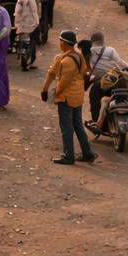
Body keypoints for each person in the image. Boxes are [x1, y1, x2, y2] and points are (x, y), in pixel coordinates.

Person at [42, 30, 95, 165]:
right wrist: (44, 89)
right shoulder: (77, 57)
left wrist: (55, 93)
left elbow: (64, 81)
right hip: (78, 96)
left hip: (67, 97)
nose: (59, 43)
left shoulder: (66, 61)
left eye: (61, 41)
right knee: (77, 124)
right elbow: (52, 73)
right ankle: (88, 153)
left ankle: (68, 155)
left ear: (65, 44)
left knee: (66, 126)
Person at [85, 31, 128, 131]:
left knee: (94, 97)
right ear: (103, 41)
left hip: (100, 82)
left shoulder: (90, 51)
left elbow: (87, 70)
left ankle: (98, 123)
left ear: (92, 42)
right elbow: (120, 62)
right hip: (114, 79)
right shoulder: (110, 50)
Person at [15, 0, 41, 69]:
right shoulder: (33, 0)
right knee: (31, 43)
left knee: (23, 43)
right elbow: (36, 13)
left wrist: (17, 23)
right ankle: (28, 60)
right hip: (32, 26)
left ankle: (23, 59)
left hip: (22, 26)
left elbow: (17, 13)